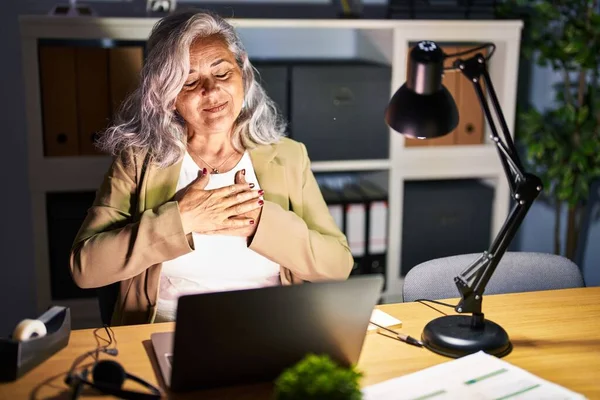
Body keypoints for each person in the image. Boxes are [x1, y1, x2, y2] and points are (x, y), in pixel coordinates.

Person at [69, 9, 353, 326]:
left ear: (242, 72)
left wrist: (260, 223)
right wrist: (180, 218)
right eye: (190, 81)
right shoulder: (138, 160)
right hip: (168, 327)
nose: (212, 90)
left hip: (270, 325)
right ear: (167, 94)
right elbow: (85, 268)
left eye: (221, 73)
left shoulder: (289, 157)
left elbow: (338, 264)